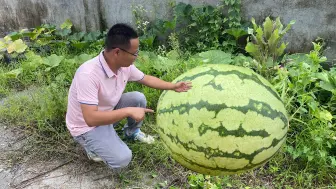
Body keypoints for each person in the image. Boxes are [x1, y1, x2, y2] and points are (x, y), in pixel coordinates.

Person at [65, 23, 192, 170]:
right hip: (86, 127)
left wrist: (173, 86)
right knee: (122, 159)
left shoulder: (123, 66)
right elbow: (91, 118)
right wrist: (128, 111)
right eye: (134, 53)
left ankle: (131, 133)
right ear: (117, 52)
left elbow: (146, 78)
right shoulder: (88, 74)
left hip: (106, 111)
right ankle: (90, 146)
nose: (137, 57)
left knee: (137, 98)